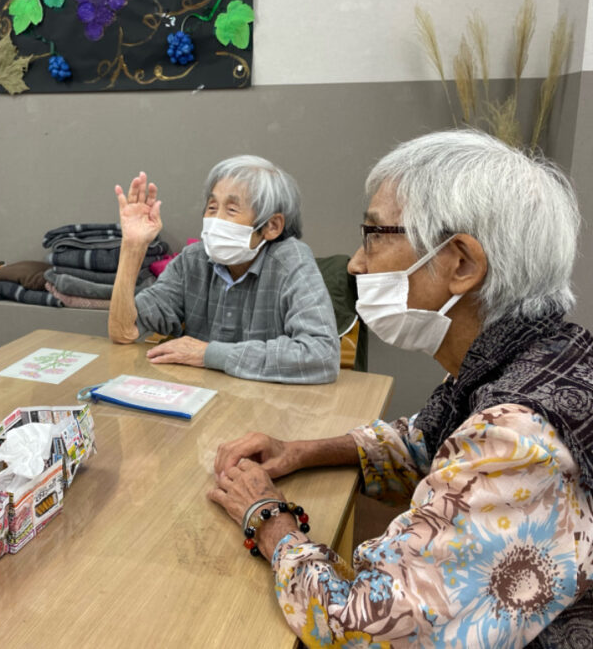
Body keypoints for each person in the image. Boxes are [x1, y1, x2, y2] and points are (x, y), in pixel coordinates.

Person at [209, 131, 593, 646]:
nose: (355, 264)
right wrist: (301, 450)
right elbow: (423, 440)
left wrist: (269, 518)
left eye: (374, 234)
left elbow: (367, 625)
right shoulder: (532, 354)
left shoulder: (517, 441)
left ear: (461, 263)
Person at [108, 157, 340, 383]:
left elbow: (322, 355)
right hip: (199, 401)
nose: (215, 220)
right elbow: (124, 331)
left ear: (272, 226)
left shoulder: (291, 260)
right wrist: (132, 247)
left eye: (231, 210)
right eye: (211, 207)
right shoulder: (194, 259)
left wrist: (209, 354)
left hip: (267, 407)